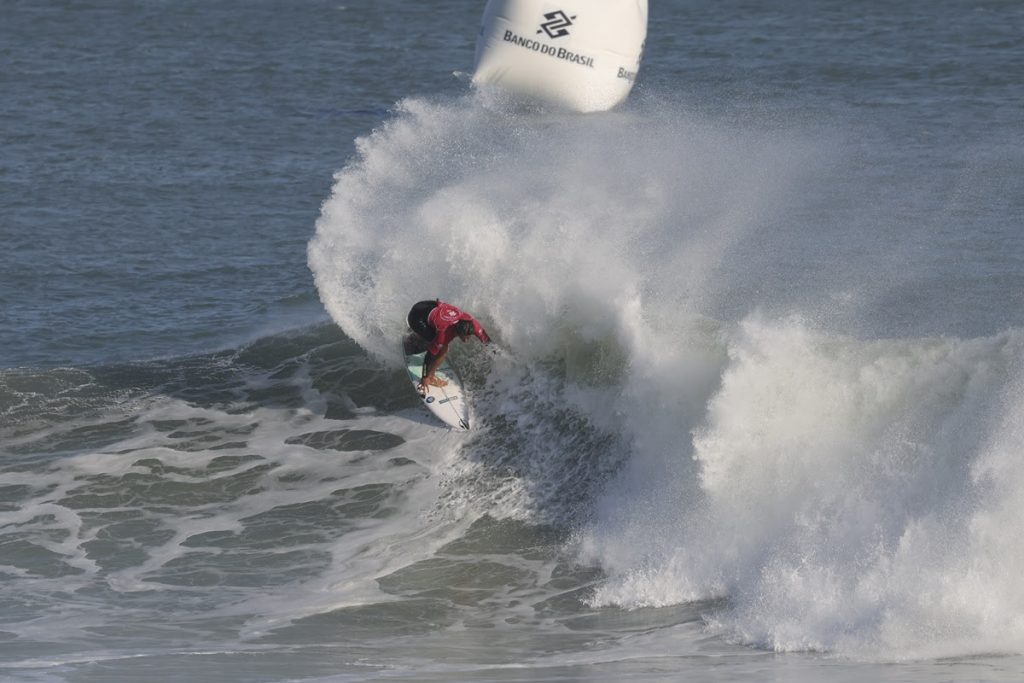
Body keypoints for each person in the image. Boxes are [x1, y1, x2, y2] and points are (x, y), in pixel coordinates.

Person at [407, 299, 490, 393]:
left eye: (468, 337)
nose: (466, 341)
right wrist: (425, 376)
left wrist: (495, 352)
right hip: (416, 317)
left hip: (428, 306)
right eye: (464, 338)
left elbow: (486, 340)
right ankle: (431, 376)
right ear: (457, 332)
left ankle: (423, 332)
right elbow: (429, 356)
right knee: (443, 349)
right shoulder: (444, 334)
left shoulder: (471, 324)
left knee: (436, 334)